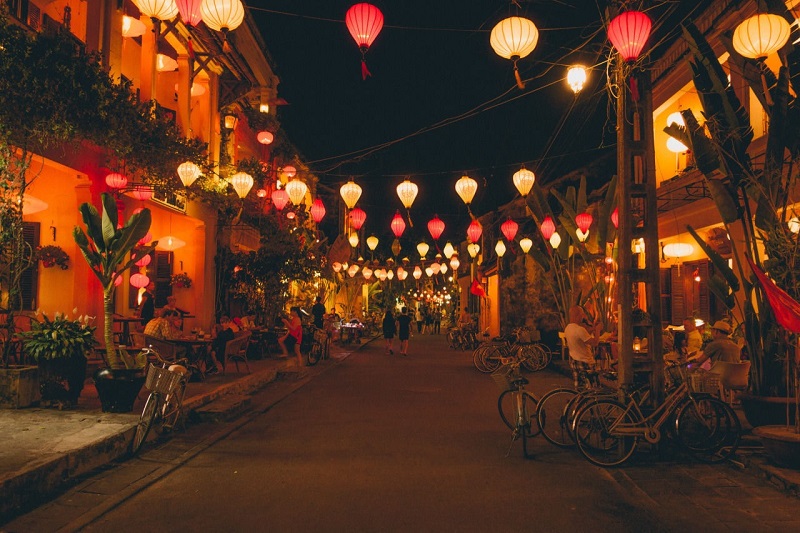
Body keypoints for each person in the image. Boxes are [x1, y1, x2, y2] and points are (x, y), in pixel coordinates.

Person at [564, 305, 600, 390]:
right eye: (582, 314)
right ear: (578, 315)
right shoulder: (579, 330)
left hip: (575, 360)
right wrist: (598, 330)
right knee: (593, 389)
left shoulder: (568, 328)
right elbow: (595, 343)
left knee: (580, 389)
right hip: (585, 362)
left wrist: (591, 328)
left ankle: (577, 402)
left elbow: (584, 336)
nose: (583, 316)